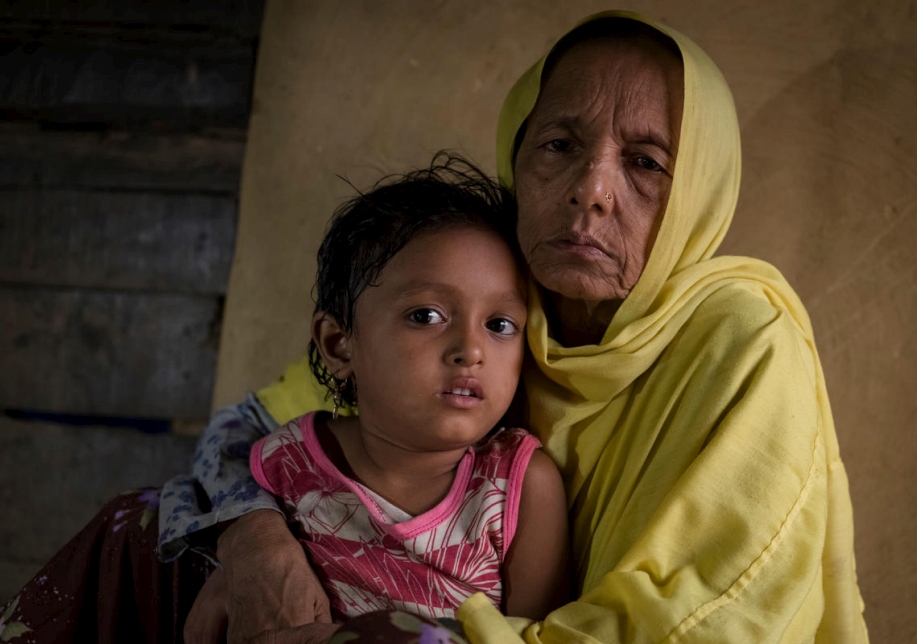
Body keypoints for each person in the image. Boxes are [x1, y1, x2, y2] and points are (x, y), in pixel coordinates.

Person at [0, 9, 868, 644]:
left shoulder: (739, 337)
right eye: (559, 145)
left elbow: (707, 620)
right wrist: (255, 538)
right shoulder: (491, 281)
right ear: (517, 160)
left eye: (646, 164)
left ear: (699, 193)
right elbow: (247, 434)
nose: (592, 191)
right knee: (139, 532)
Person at [245, 157, 568, 625]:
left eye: (499, 325)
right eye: (426, 316)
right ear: (340, 344)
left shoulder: (518, 489)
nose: (471, 350)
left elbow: (540, 639)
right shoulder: (289, 461)